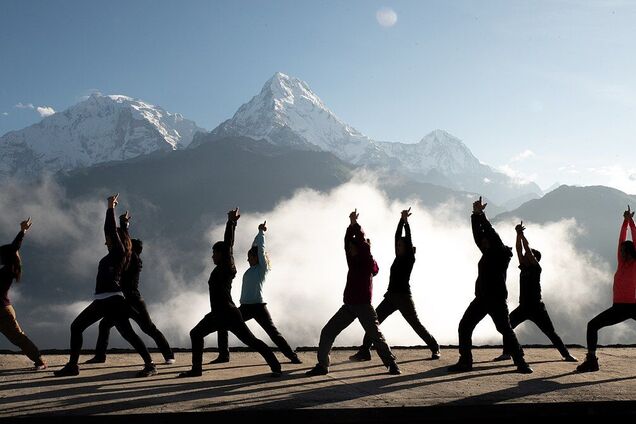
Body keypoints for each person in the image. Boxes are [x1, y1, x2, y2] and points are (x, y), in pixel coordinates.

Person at [54, 194, 157, 378]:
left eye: (108, 238)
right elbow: (119, 235)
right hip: (104, 300)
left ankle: (150, 365)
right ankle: (72, 365)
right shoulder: (120, 251)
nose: (105, 240)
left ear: (115, 240)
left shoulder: (119, 252)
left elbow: (109, 229)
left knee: (126, 334)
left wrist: (110, 207)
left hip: (112, 301)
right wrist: (124, 224)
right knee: (79, 327)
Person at [179, 208, 282, 378]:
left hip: (226, 313)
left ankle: (275, 366)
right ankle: (197, 369)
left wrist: (231, 223)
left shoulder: (226, 266)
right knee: (198, 334)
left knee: (250, 341)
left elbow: (228, 244)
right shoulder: (221, 268)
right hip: (221, 314)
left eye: (214, 253)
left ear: (221, 254)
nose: (212, 256)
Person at [306, 209, 401, 376]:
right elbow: (347, 242)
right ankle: (322, 366)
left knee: (376, 337)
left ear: (361, 248)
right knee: (328, 332)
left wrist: (355, 224)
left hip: (363, 305)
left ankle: (392, 364)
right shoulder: (354, 259)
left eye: (352, 247)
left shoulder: (366, 261)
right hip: (349, 305)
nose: (349, 250)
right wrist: (350, 228)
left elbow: (361, 243)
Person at [448, 197, 533, 374]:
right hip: (483, 298)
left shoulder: (498, 253)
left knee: (503, 329)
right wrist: (474, 215)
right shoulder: (489, 251)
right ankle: (466, 362)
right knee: (467, 326)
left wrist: (481, 215)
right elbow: (478, 236)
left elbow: (490, 232)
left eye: (485, 241)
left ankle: (520, 361)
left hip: (494, 298)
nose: (482, 243)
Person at [349, 208, 440, 362]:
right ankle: (364, 351)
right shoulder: (398, 257)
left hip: (404, 297)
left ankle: (435, 347)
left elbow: (407, 238)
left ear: (407, 248)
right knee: (373, 322)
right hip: (391, 296)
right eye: (397, 245)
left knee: (416, 325)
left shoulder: (409, 258)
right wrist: (400, 220)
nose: (397, 247)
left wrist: (406, 223)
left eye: (400, 245)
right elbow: (397, 236)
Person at [85, 211, 174, 364]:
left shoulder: (134, 261)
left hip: (133, 301)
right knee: (105, 325)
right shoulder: (125, 259)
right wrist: (123, 224)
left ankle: (169, 355)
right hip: (121, 302)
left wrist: (124, 226)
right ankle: (100, 356)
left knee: (148, 328)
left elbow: (126, 243)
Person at [211, 220, 301, 365]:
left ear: (257, 257)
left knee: (273, 334)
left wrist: (261, 232)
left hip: (258, 307)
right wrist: (257, 234)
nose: (247, 259)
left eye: (250, 257)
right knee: (223, 324)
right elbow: (255, 246)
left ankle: (292, 356)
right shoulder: (251, 269)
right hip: (245, 307)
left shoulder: (262, 269)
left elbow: (260, 248)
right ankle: (224, 355)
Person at [493, 221, 577, 363]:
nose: (524, 256)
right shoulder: (524, 267)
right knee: (506, 327)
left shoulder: (536, 268)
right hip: (523, 307)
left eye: (528, 256)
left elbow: (526, 249)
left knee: (550, 332)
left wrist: (522, 234)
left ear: (534, 259)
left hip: (537, 308)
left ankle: (566, 355)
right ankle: (507, 353)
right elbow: (519, 249)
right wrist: (517, 235)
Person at [577, 206, 636, 372]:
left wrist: (631, 222)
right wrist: (624, 222)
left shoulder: (634, 264)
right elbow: (621, 240)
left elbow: (635, 239)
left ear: (630, 252)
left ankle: (591, 361)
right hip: (619, 307)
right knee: (592, 325)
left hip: (630, 306)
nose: (620, 252)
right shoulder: (621, 262)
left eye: (623, 251)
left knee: (592, 325)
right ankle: (592, 360)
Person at [0, 217, 47, 370]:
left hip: (3, 311)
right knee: (18, 337)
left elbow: (14, 248)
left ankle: (40, 361)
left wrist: (22, 232)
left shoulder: (8, 271)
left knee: (18, 337)